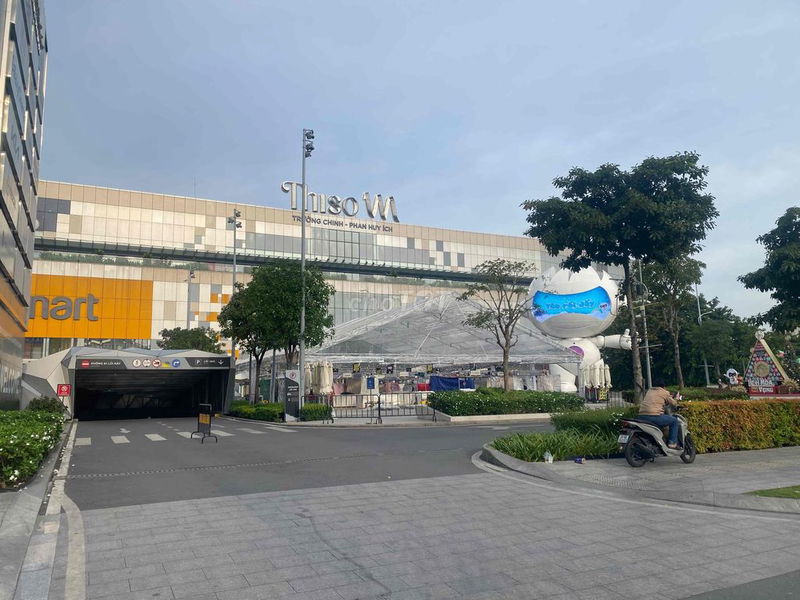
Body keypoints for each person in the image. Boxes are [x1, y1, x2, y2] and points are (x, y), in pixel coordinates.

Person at [638, 381, 681, 448]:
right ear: (664, 387)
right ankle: (672, 443)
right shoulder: (664, 392)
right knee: (674, 421)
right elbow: (673, 403)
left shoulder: (649, 391)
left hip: (641, 416)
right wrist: (676, 399)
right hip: (654, 416)